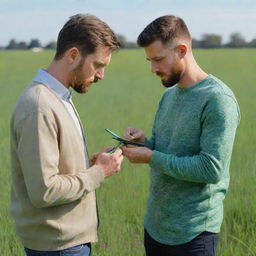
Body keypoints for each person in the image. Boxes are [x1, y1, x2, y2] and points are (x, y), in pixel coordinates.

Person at [121, 15, 240, 256]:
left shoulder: (217, 100)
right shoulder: (169, 95)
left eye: (158, 59)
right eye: (149, 60)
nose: (153, 69)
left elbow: (211, 169)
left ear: (182, 50)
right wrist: (145, 143)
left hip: (193, 235)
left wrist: (151, 156)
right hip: (155, 228)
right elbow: (168, 151)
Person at [10, 14, 123, 256]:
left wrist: (88, 163)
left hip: (66, 244)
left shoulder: (58, 97)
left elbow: (52, 168)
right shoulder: (39, 106)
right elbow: (45, 190)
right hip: (59, 247)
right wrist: (98, 172)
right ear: (73, 55)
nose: (101, 75)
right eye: (98, 65)